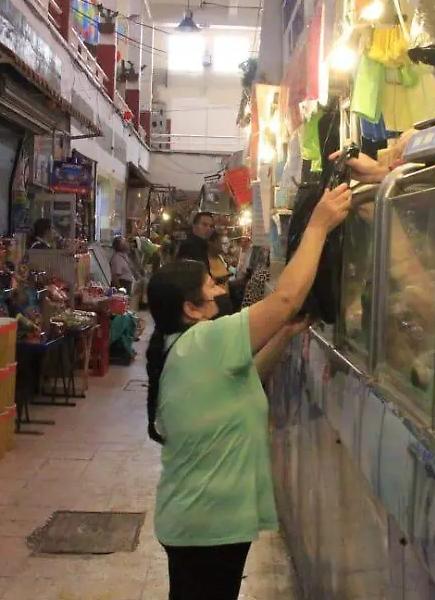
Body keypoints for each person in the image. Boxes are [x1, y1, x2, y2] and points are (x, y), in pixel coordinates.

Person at [145, 184, 352, 600]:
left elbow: (242, 378)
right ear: (190, 308)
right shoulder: (205, 341)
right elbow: (286, 297)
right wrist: (318, 225)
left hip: (201, 523)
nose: (222, 290)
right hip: (205, 526)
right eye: (211, 288)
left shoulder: (186, 348)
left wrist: (284, 335)